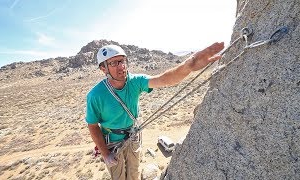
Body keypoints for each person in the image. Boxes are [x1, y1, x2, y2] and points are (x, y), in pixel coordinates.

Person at [85, 42, 224, 180]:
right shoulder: (96, 95)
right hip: (112, 144)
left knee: (134, 174)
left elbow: (164, 79)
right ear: (103, 69)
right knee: (119, 177)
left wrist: (189, 65)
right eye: (114, 63)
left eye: (122, 61)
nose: (121, 66)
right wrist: (105, 153)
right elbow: (92, 126)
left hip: (133, 137)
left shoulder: (135, 81)